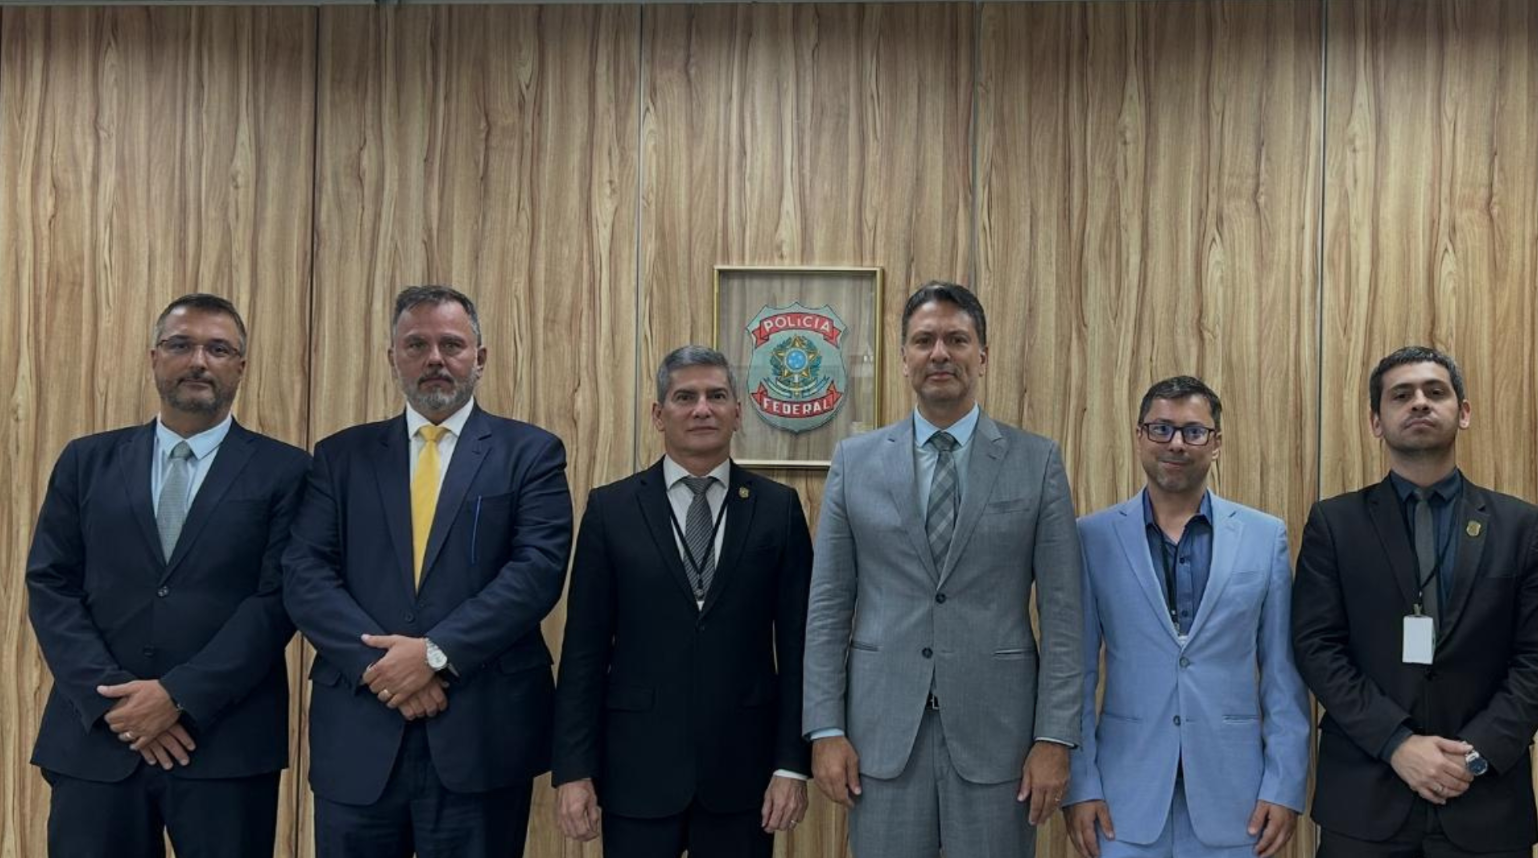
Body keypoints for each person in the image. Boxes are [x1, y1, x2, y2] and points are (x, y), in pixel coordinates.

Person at [283, 285, 573, 857]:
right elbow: (304, 572)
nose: (435, 358)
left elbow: (536, 571)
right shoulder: (340, 457)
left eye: (451, 344)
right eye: (416, 344)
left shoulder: (530, 453)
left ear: (480, 358)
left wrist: (435, 653)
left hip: (481, 732)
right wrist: (383, 667)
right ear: (392, 357)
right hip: (360, 732)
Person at [802, 280, 1083, 858]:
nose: (940, 353)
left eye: (957, 339)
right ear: (903, 356)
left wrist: (1055, 737)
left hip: (1000, 739)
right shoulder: (855, 462)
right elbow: (829, 605)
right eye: (924, 339)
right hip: (881, 738)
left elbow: (1064, 614)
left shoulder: (1037, 461)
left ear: (982, 354)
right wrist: (825, 728)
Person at [26, 294, 310, 857]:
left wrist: (178, 695)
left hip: (224, 745)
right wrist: (115, 704)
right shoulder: (86, 461)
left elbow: (277, 601)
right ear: (155, 358)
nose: (198, 361)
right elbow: (50, 584)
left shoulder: (288, 471)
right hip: (97, 739)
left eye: (218, 348)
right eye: (181, 345)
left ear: (241, 366)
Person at [551, 345, 813, 857]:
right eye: (684, 396)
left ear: (738, 412)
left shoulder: (777, 510)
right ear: (658, 414)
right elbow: (583, 651)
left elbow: (801, 649)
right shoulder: (612, 510)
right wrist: (575, 770)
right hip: (635, 773)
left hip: (743, 775)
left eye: (717, 396)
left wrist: (791, 763)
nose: (702, 409)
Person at [1292, 346, 1538, 857]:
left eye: (1435, 392)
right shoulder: (1335, 524)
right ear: (1376, 421)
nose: (1419, 403)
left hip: (1486, 802)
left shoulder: (1521, 526)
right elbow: (1317, 646)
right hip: (1366, 799)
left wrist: (1473, 757)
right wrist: (1397, 744)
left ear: (1463, 412)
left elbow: (1534, 657)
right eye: (1401, 395)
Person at [1064, 376, 1309, 858]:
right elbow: (1076, 673)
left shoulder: (1265, 537)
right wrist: (1081, 784)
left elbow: (1283, 674)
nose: (1176, 442)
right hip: (1122, 801)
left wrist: (1284, 785)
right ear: (1139, 436)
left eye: (1194, 431)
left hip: (1238, 801)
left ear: (1215, 444)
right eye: (1161, 429)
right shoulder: (1092, 537)